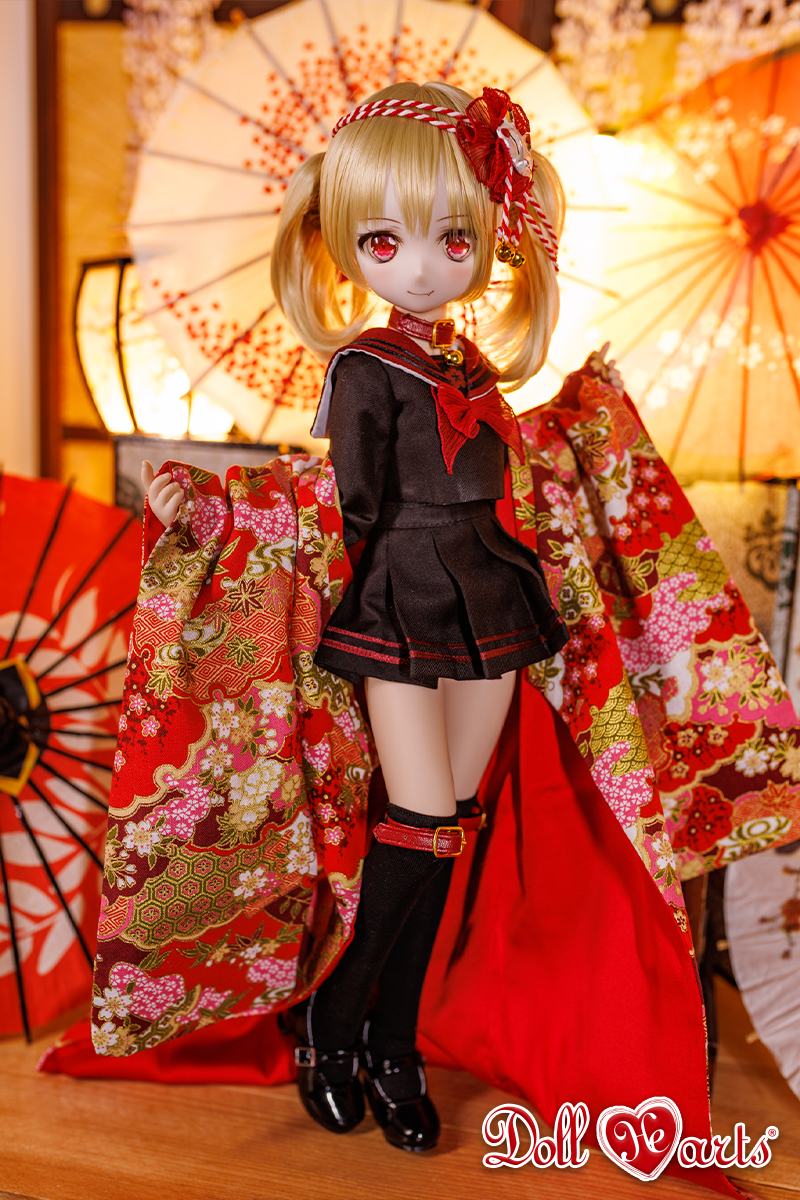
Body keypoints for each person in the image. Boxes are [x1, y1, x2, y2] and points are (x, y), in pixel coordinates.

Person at [141, 80, 623, 1154]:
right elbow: (334, 501)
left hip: (489, 593)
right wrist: (216, 512)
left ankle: (389, 1041)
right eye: (383, 241)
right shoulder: (363, 367)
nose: (421, 267)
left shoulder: (469, 365)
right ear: (343, 243)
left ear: (492, 238)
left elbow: (507, 478)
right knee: (416, 818)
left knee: (449, 828)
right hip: (397, 600)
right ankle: (334, 1020)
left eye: (455, 239)